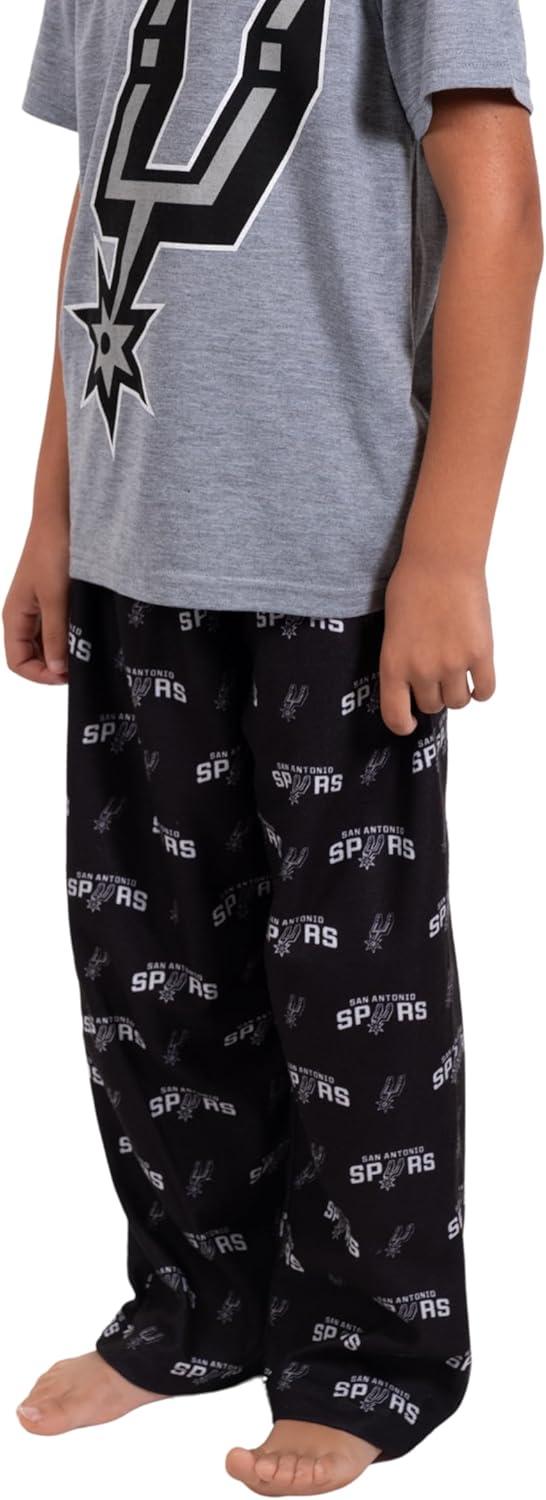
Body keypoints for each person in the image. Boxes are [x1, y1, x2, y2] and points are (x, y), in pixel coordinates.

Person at [4, 0, 542, 1492]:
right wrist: (54, 513)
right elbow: (101, 215)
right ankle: (200, 1302)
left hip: (332, 558)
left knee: (347, 986)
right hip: (135, 547)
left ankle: (374, 1350)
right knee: (152, 972)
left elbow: (497, 195)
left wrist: (446, 545)